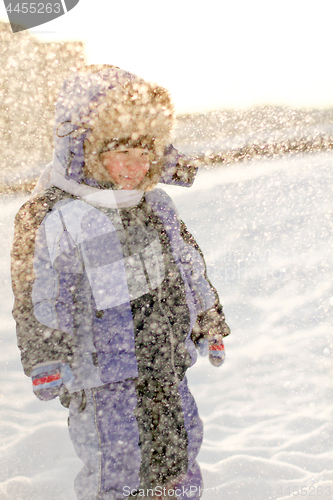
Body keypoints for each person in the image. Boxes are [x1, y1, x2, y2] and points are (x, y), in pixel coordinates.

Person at [11, 65, 230, 500]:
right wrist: (45, 356)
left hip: (165, 359)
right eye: (120, 154)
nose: (134, 167)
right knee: (117, 460)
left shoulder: (155, 205)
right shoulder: (57, 215)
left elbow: (188, 266)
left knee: (178, 448)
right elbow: (38, 291)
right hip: (101, 372)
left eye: (144, 153)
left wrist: (208, 320)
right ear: (87, 151)